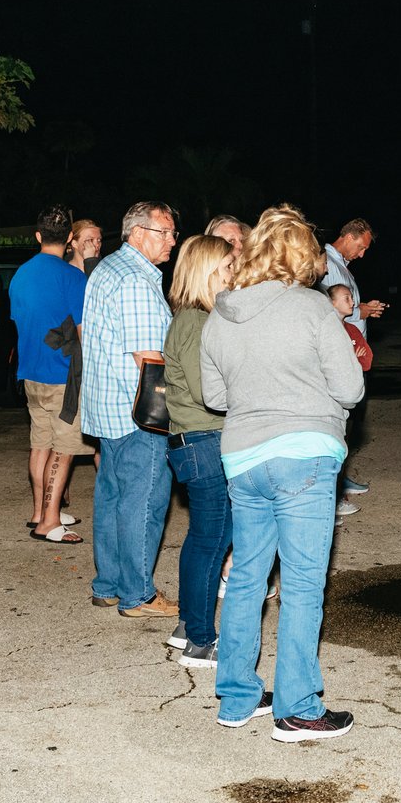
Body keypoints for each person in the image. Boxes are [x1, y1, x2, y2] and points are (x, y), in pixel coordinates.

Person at [201, 204, 365, 742]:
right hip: (304, 456)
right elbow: (350, 389)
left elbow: (215, 396)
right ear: (302, 256)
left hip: (243, 460)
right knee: (301, 584)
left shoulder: (219, 314)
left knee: (247, 577)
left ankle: (236, 698)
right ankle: (296, 707)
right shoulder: (312, 309)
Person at [80, 201, 178, 618]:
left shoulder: (108, 268)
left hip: (108, 407)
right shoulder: (136, 280)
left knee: (113, 499)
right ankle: (138, 594)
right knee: (145, 502)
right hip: (139, 412)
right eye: (165, 232)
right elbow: (150, 359)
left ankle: (108, 585)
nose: (172, 240)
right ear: (138, 233)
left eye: (173, 232)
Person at [163, 235, 236, 668]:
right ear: (207, 270)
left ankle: (189, 626)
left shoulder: (194, 318)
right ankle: (201, 641)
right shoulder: (195, 322)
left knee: (204, 540)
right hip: (205, 441)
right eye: (226, 267)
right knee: (212, 541)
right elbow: (210, 393)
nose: (232, 274)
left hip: (200, 441)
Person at [9, 204, 93, 543]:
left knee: (40, 444)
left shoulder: (20, 275)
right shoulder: (73, 277)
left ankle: (41, 511)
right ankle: (49, 523)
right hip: (64, 376)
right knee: (64, 448)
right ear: (70, 238)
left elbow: (23, 322)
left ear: (38, 236)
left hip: (31, 373)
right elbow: (84, 331)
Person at [320, 218, 384, 503]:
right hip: (341, 351)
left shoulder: (341, 266)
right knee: (340, 420)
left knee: (350, 420)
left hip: (352, 351)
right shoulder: (328, 264)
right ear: (348, 236)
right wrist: (363, 312)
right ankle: (334, 491)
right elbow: (331, 305)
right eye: (361, 246)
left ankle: (341, 480)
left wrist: (363, 309)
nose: (362, 254)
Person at [328, 285, 373, 372]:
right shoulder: (325, 330)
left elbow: (366, 363)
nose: (352, 303)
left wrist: (348, 360)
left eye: (352, 298)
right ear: (331, 302)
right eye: (346, 298)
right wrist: (354, 359)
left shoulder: (352, 329)